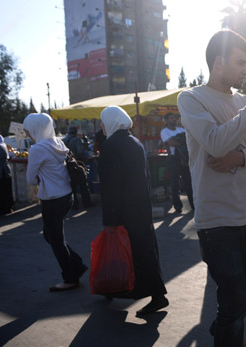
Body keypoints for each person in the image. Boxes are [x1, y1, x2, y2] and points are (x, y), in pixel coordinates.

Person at [177, 30, 246, 347]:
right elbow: (215, 142)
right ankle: (229, 339)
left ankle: (225, 327)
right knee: (233, 299)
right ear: (218, 63)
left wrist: (241, 158)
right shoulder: (191, 99)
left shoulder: (241, 102)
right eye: (240, 62)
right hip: (216, 220)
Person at [98, 106, 168, 315]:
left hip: (124, 209)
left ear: (110, 122)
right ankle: (119, 289)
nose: (101, 126)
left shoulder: (110, 146)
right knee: (143, 250)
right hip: (141, 207)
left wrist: (110, 218)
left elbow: (111, 186)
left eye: (102, 122)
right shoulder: (134, 142)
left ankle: (156, 295)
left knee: (128, 253)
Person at [23, 113, 88, 292]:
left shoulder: (37, 149)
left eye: (28, 129)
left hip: (51, 198)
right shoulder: (58, 143)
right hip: (66, 195)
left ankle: (70, 277)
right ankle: (76, 264)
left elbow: (31, 179)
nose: (27, 133)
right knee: (50, 235)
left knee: (56, 239)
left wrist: (41, 177)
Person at [160, 112, 194, 212]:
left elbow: (189, 140)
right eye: (171, 118)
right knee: (174, 184)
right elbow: (171, 142)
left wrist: (178, 141)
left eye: (174, 118)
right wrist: (181, 141)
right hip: (173, 159)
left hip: (184, 158)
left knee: (189, 182)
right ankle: (178, 207)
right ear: (166, 120)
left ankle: (193, 205)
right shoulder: (164, 131)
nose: (174, 119)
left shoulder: (181, 129)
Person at [62, 126, 91, 209]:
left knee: (72, 186)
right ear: (75, 132)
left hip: (67, 165)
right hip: (77, 164)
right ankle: (86, 203)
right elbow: (80, 152)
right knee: (83, 184)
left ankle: (74, 204)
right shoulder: (76, 140)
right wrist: (85, 161)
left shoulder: (63, 140)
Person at [0, 134, 15, 215]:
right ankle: (9, 207)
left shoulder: (0, 147)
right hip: (6, 171)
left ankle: (4, 208)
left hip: (1, 172)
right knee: (7, 190)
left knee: (2, 191)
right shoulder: (3, 146)